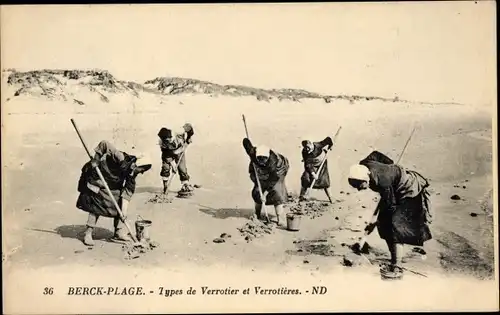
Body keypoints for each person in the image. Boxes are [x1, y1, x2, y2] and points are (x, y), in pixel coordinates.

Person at [347, 150, 432, 280]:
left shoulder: (382, 181)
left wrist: (375, 223)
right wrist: (390, 165)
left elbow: (390, 205)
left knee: (394, 228)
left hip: (407, 189)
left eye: (359, 185)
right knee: (385, 223)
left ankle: (396, 266)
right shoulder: (364, 164)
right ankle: (390, 254)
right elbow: (375, 154)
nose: (358, 189)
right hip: (393, 187)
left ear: (365, 178)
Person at [76, 140, 152, 246]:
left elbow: (127, 192)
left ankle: (118, 232)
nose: (140, 172)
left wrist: (124, 212)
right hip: (97, 174)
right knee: (97, 203)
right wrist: (96, 159)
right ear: (135, 164)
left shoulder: (131, 174)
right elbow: (104, 144)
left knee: (120, 203)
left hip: (110, 183)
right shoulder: (120, 157)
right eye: (141, 169)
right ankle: (88, 233)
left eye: (142, 171)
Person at [243, 138, 290, 226]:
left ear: (267, 158)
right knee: (257, 192)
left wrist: (265, 194)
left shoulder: (273, 161)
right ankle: (257, 214)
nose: (261, 163)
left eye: (263, 160)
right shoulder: (253, 153)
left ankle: (280, 217)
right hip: (261, 172)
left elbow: (273, 178)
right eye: (259, 160)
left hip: (278, 171)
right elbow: (246, 143)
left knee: (276, 192)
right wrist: (246, 141)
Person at [158, 123, 194, 194]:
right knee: (166, 167)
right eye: (166, 141)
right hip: (168, 153)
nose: (168, 142)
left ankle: (185, 185)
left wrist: (188, 137)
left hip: (179, 150)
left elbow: (189, 127)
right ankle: (165, 186)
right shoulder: (162, 143)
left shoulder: (179, 131)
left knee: (182, 168)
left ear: (171, 136)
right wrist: (173, 164)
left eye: (169, 140)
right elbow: (166, 156)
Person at [299, 136, 334, 202]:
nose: (307, 149)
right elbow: (307, 164)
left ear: (311, 144)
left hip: (321, 164)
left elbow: (328, 139)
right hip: (311, 165)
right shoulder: (304, 152)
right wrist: (313, 173)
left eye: (308, 147)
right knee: (305, 178)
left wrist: (330, 145)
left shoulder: (318, 145)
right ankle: (302, 196)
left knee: (324, 181)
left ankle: (330, 197)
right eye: (305, 148)